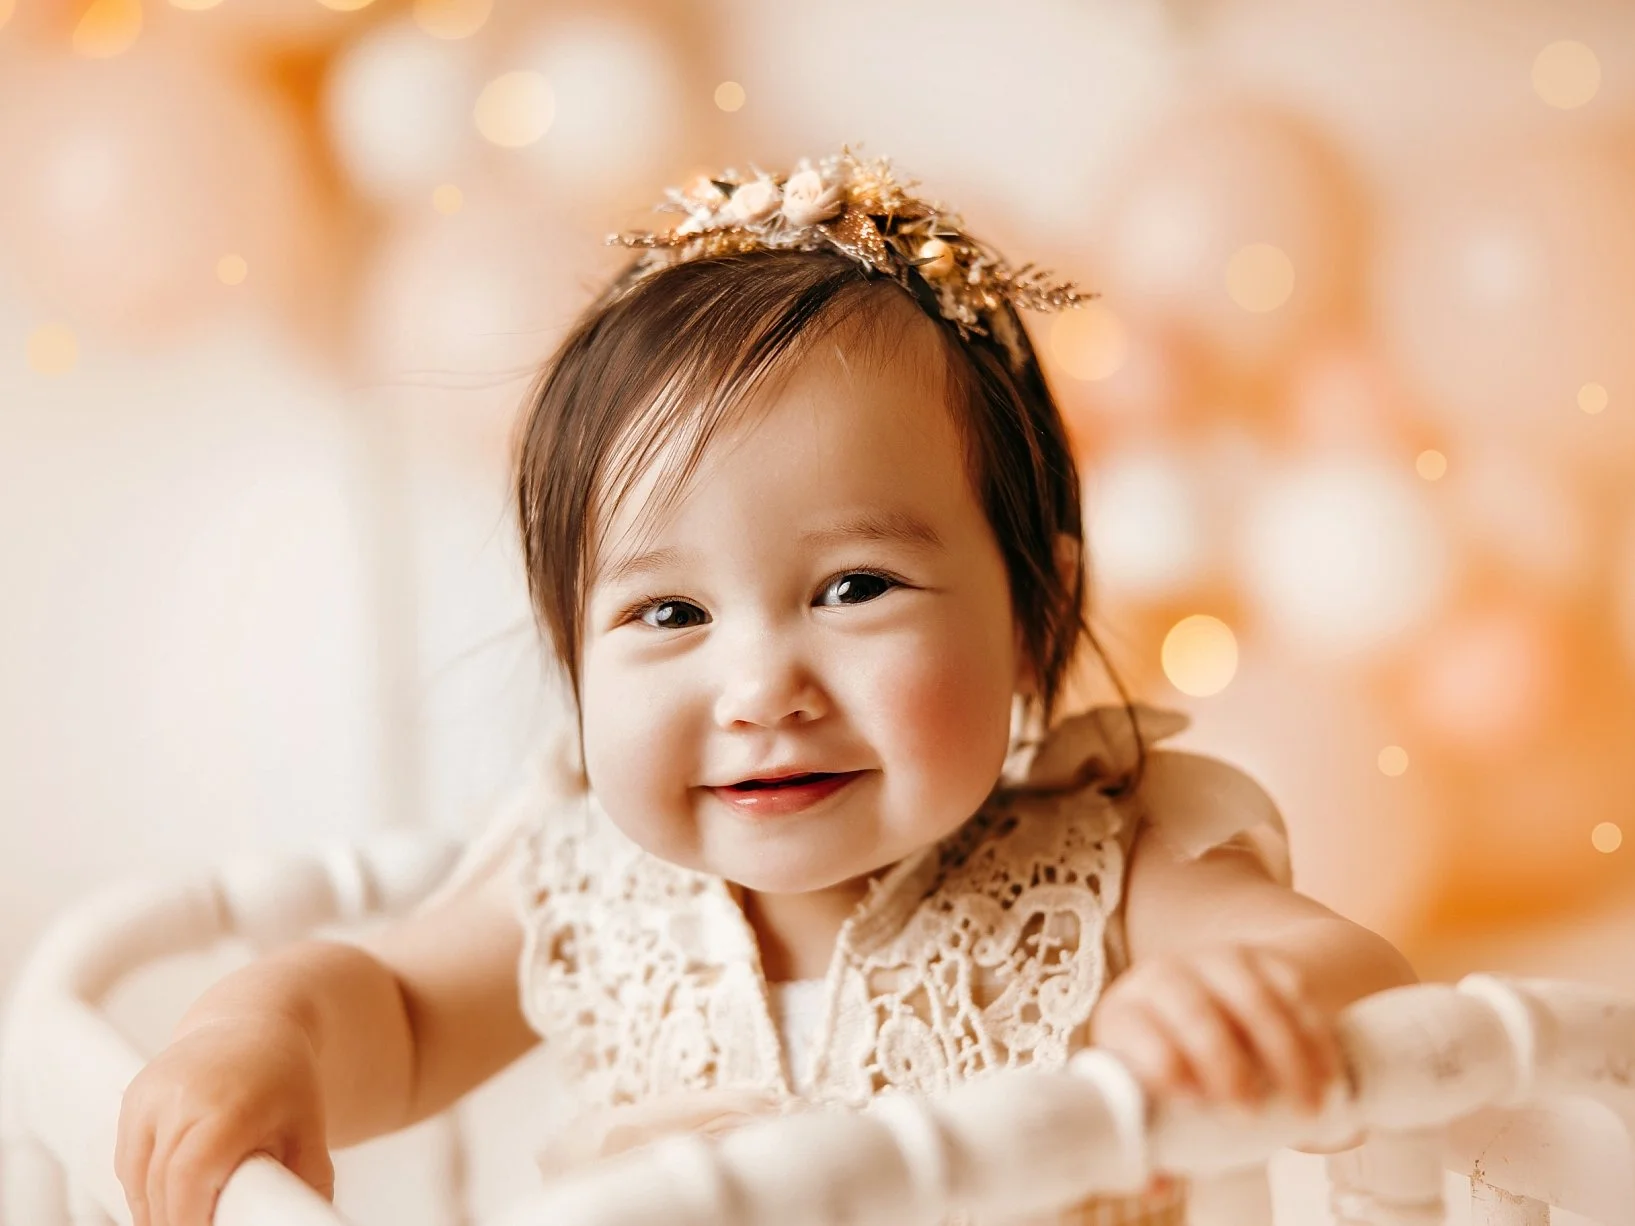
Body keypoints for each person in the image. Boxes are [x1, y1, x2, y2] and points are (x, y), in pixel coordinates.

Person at [115, 151, 1416, 1226]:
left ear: (1034, 615)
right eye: (669, 613)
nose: (759, 689)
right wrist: (259, 1029)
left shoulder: (1095, 873)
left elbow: (1354, 970)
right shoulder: (587, 888)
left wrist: (1237, 1000)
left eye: (853, 587)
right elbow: (393, 1008)